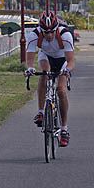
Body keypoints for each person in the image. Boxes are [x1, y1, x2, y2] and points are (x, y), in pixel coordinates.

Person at [24, 11, 75, 147]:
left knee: (61, 90)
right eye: (45, 32)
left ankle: (64, 129)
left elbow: (71, 61)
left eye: (52, 31)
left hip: (62, 60)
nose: (49, 35)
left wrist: (67, 71)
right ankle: (41, 112)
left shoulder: (65, 35)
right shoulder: (34, 35)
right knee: (44, 74)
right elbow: (29, 58)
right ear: (41, 30)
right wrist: (29, 68)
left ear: (56, 28)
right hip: (46, 56)